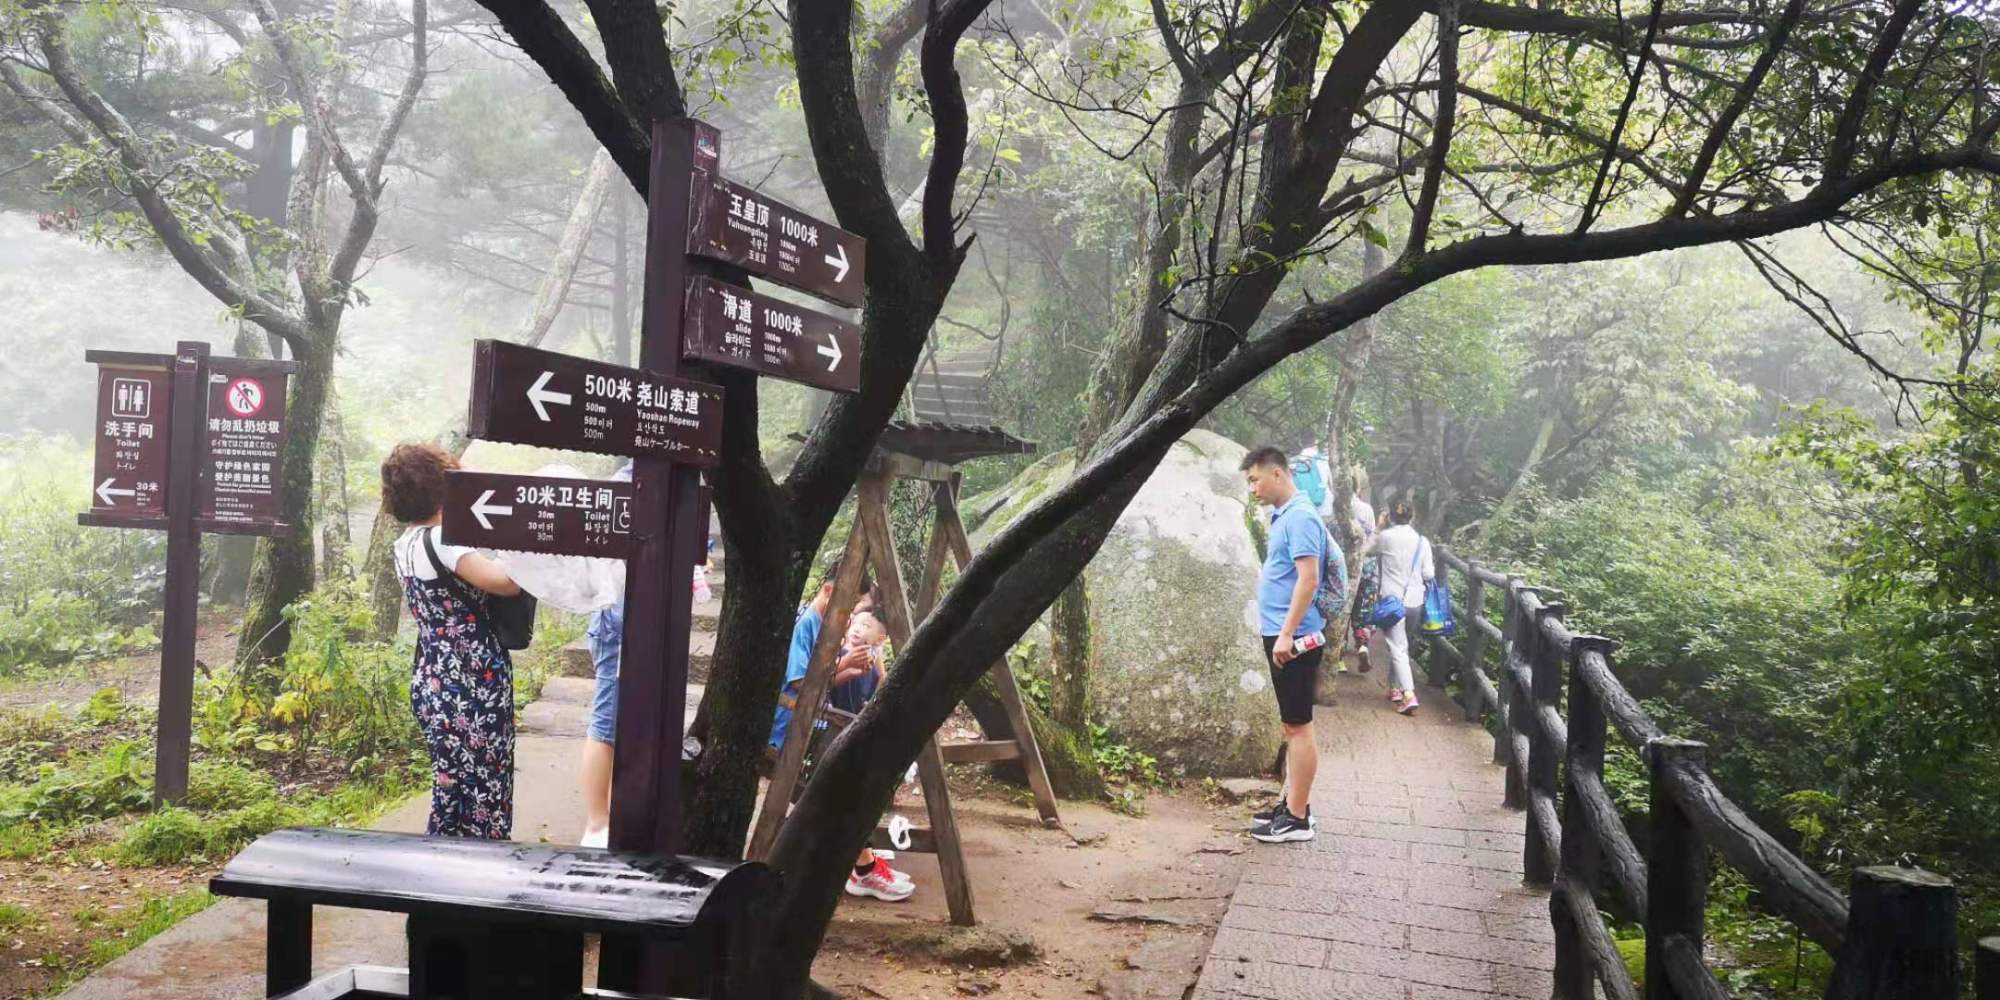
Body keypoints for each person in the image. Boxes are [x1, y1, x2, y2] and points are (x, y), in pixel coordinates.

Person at [383, 443, 521, 839]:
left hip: (432, 677)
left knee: (451, 786)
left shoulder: (405, 544)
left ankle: (439, 876)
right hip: (472, 681)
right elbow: (505, 583)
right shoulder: (445, 540)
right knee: (485, 788)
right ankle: (479, 877)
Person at [770, 578, 914, 901]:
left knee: (859, 763)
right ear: (830, 592)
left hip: (808, 718)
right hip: (791, 725)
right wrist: (846, 665)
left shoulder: (820, 626)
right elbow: (802, 689)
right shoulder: (805, 626)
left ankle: (861, 858)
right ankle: (862, 866)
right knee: (847, 769)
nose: (851, 620)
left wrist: (855, 667)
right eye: (850, 609)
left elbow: (820, 686)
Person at [1241, 446, 1329, 844]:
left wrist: (1288, 634)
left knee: (1299, 725)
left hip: (1293, 637)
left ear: (1277, 474)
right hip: (1281, 632)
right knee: (1292, 724)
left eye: (1255, 479)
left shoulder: (1302, 517)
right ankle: (1294, 807)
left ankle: (1297, 818)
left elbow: (1308, 579)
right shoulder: (1285, 516)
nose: (1252, 488)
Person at [1368, 500, 1434, 715]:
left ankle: (1408, 694)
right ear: (1412, 517)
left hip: (1392, 601)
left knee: (1398, 648)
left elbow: (1366, 551)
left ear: (1390, 518)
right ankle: (1394, 689)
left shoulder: (1386, 537)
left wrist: (1378, 528)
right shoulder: (1422, 541)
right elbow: (1428, 574)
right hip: (1415, 601)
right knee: (1402, 646)